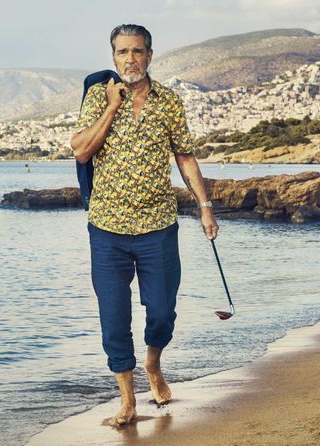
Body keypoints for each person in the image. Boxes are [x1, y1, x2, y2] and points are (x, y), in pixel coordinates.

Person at [70, 24, 218, 427]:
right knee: (113, 317)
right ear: (113, 57)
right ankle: (127, 400)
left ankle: (153, 364)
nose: (130, 58)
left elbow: (185, 157)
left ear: (150, 56)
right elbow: (81, 150)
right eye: (122, 52)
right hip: (107, 229)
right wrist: (111, 107)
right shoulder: (99, 97)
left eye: (137, 51)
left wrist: (205, 207)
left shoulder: (170, 103)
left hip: (158, 227)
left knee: (163, 311)